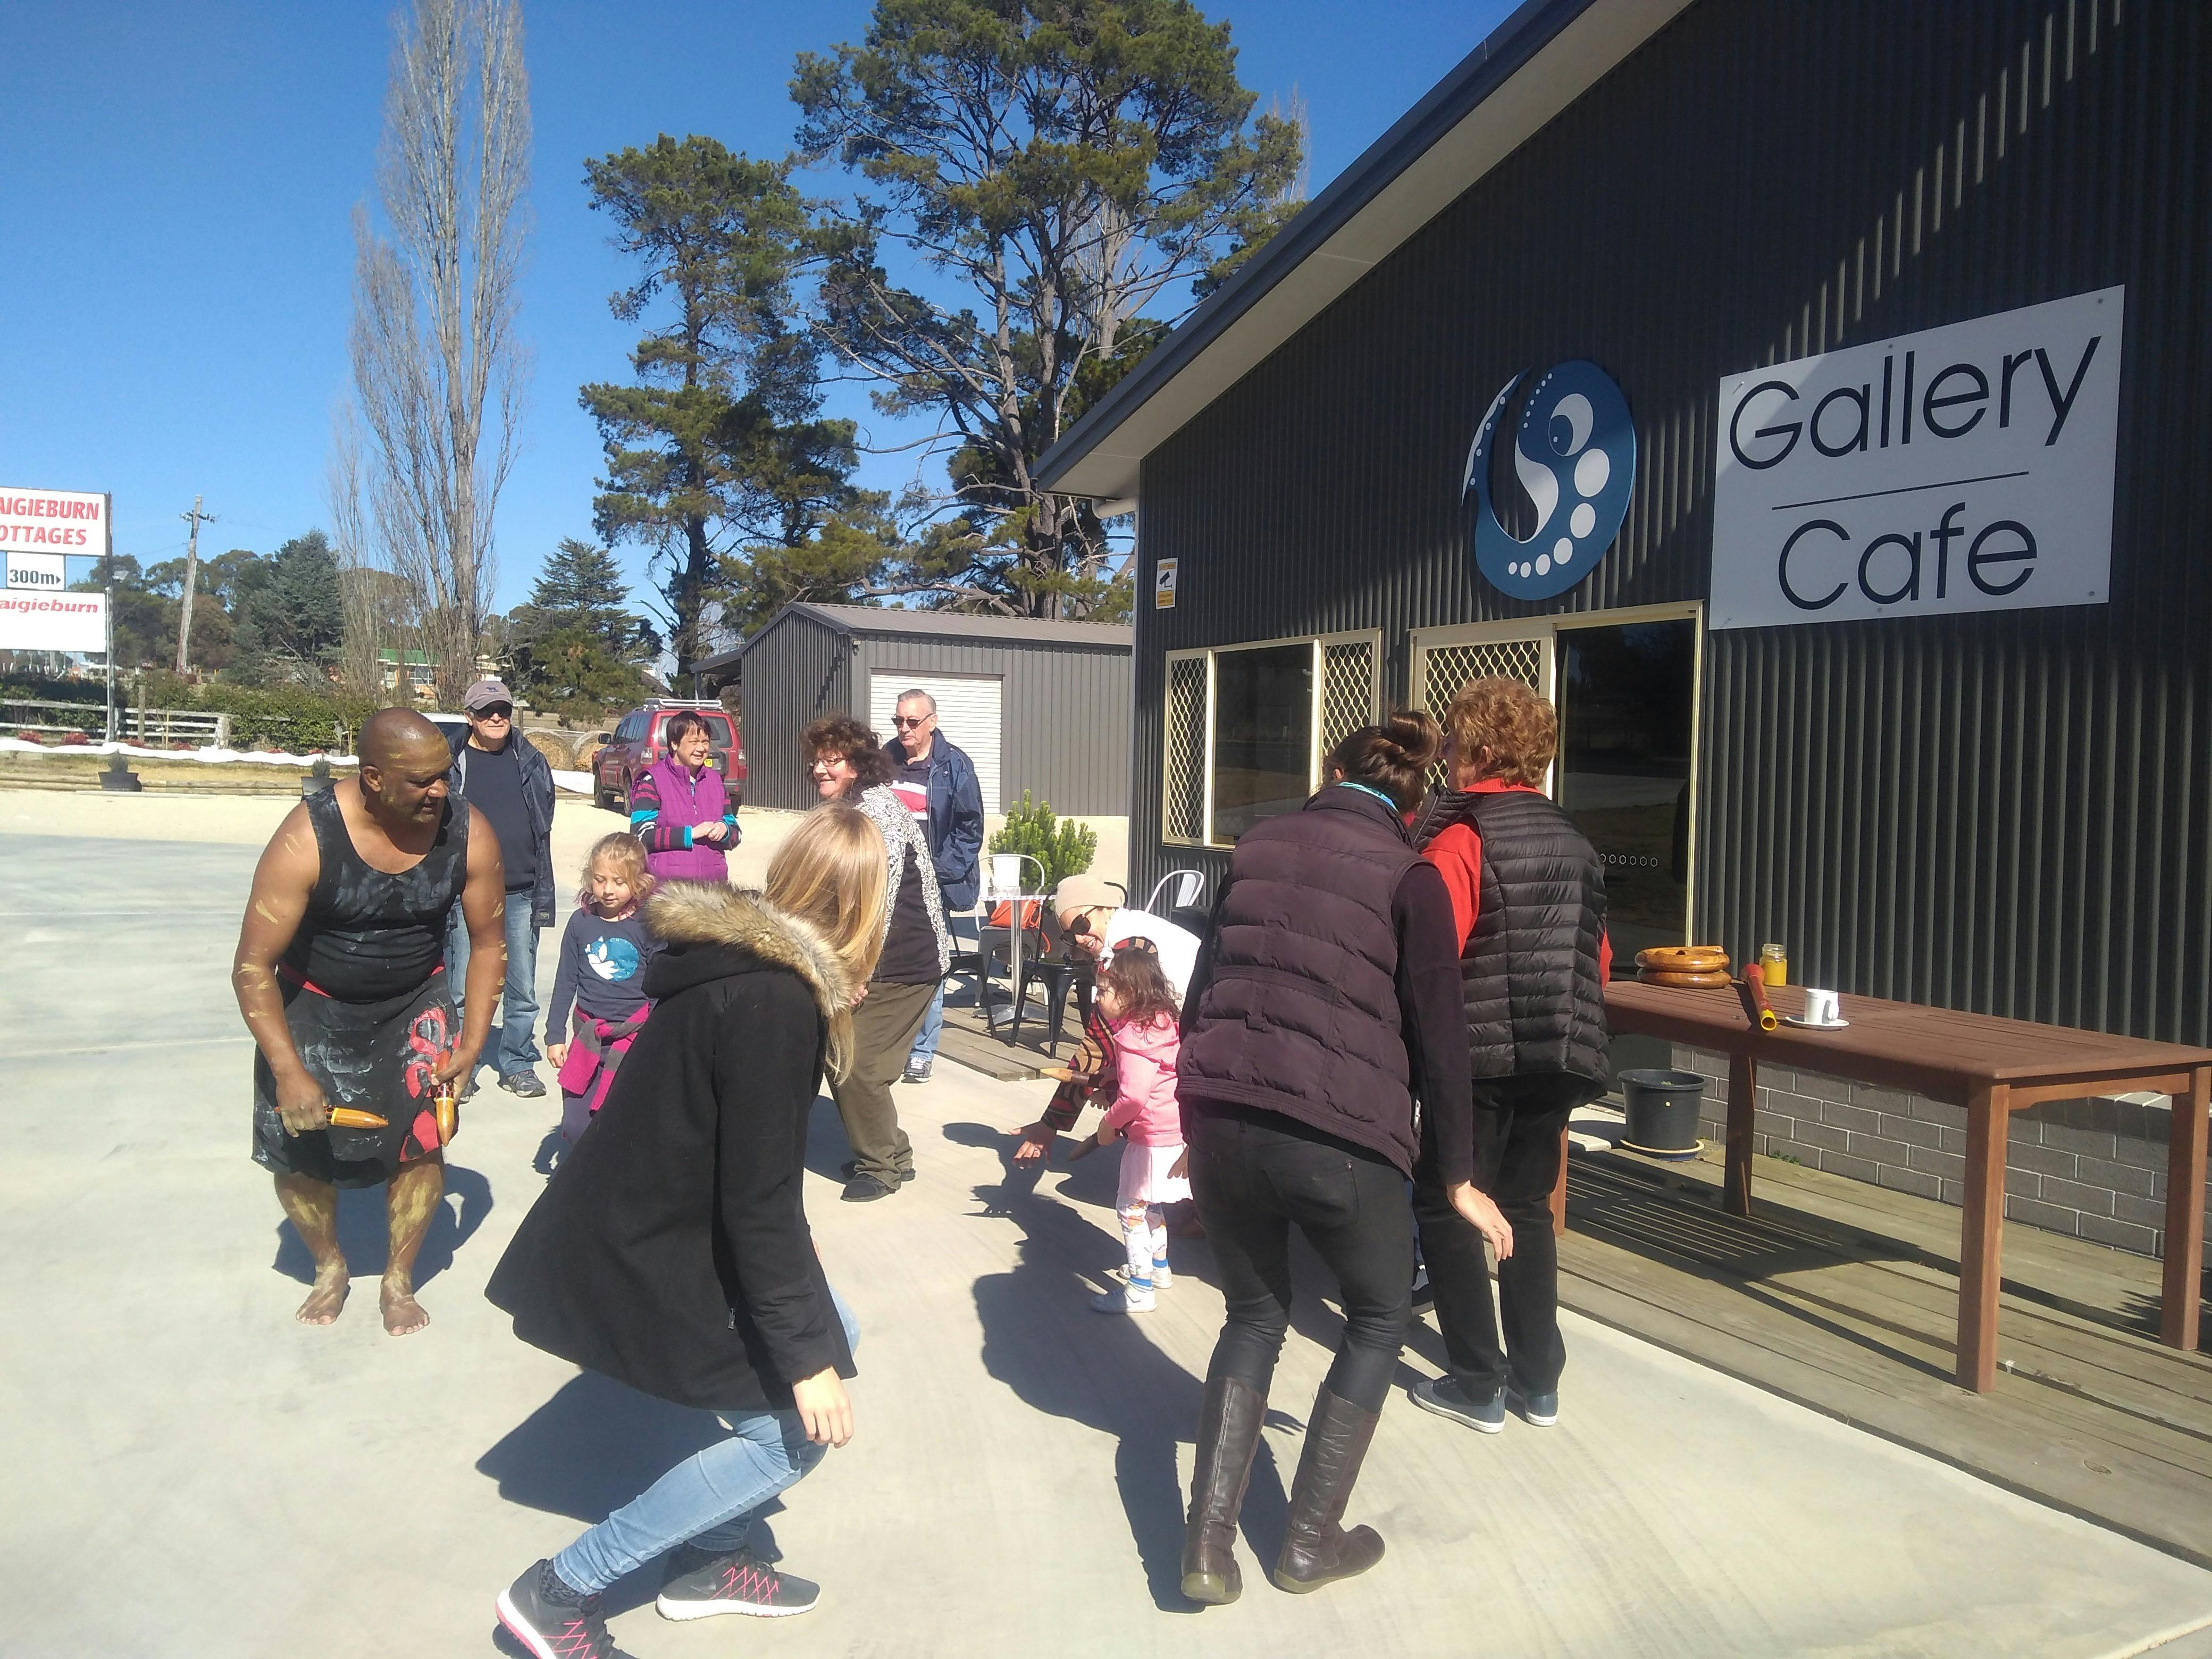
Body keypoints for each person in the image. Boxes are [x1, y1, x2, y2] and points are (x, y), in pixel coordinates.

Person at [487, 805, 882, 1655]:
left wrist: (807, 1312)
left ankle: (711, 1556)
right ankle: (559, 1593)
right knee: (793, 1433)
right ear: (856, 915)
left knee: (838, 1329)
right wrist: (803, 1363)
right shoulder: (778, 1003)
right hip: (647, 1246)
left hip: (656, 1220)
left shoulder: (742, 963)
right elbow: (756, 1204)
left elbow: (744, 1161)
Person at [1172, 712, 1512, 1604]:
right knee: (1376, 1317)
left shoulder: (1255, 844)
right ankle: (1310, 1544)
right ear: (1415, 799)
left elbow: (1205, 989)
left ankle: (1207, 1550)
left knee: (1252, 1317)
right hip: (1339, 1136)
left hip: (1223, 1113)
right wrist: (1459, 1176)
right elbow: (1442, 1038)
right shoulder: (1411, 876)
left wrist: (1190, 1118)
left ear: (1333, 768)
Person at [234, 707, 508, 1336]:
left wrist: (469, 1043)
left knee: (423, 1145)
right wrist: (286, 1070)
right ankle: (329, 1264)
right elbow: (251, 967)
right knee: (299, 1154)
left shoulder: (469, 832)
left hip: (416, 1002)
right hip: (314, 1003)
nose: (440, 791)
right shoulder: (307, 838)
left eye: (445, 775)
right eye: (422, 781)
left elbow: (490, 944)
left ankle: (398, 1275)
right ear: (374, 778)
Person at [1404, 675, 1614, 1435]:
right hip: (1560, 1050)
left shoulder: (1464, 837)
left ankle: (1476, 1380)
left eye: (1455, 744)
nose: (1447, 759)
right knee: (1527, 1206)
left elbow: (1434, 960)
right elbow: (1599, 957)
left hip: (1479, 1055)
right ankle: (1538, 1381)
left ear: (1483, 751)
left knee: (1446, 1200)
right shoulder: (1576, 839)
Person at [803, 714, 950, 1201]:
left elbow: (878, 899)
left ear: (859, 764)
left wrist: (855, 971)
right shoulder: (849, 805)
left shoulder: (876, 811)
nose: (821, 769)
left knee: (857, 1065)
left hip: (905, 962)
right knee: (842, 1057)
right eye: (817, 760)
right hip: (879, 957)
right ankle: (892, 1152)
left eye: (833, 760)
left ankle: (880, 1169)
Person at [1009, 876, 1203, 1167]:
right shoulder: (1132, 930)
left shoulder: (1123, 952)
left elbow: (1098, 1042)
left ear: (1105, 908)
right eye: (1068, 935)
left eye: (1080, 926)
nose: (1077, 939)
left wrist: (1051, 1123)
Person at [444, 677, 557, 1099]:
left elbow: (543, 818)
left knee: (522, 988)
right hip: (466, 893)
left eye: (504, 710)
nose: (497, 717)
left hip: (522, 891)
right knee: (460, 986)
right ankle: (461, 1065)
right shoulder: (453, 761)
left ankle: (517, 1063)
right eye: (488, 710)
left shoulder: (530, 760)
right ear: (469, 717)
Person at [885, 689, 984, 1084]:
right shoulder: (884, 760)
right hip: (884, 882)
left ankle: (922, 1051)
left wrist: (935, 871)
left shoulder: (954, 766)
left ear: (932, 721)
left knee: (928, 966)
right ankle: (892, 1043)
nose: (904, 729)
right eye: (898, 721)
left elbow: (970, 829)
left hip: (929, 886)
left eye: (912, 722)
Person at [1084, 949, 1189, 1316]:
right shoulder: (1164, 1022)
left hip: (1149, 1139)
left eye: (1103, 990)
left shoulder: (1131, 1038)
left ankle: (1140, 1289)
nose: (1097, 997)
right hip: (1176, 1131)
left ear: (1127, 994)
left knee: (1129, 1209)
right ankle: (1159, 1268)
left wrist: (1108, 1125)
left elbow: (1133, 1097)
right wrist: (1118, 1072)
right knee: (1150, 1205)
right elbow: (1155, 1072)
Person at [544, 832, 659, 1150]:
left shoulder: (648, 925)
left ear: (638, 883)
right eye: (600, 880)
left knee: (623, 1124)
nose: (608, 890)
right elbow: (566, 980)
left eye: (619, 882)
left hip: (633, 1040)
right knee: (577, 1124)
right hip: (588, 1037)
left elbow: (659, 989)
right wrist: (555, 1035)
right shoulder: (582, 924)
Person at [631, 709, 739, 884]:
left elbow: (736, 833)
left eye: (705, 742)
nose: (701, 749)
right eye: (694, 742)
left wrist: (725, 830)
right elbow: (641, 834)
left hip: (714, 892)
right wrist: (691, 834)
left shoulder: (716, 781)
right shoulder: (652, 781)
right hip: (669, 893)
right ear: (674, 744)